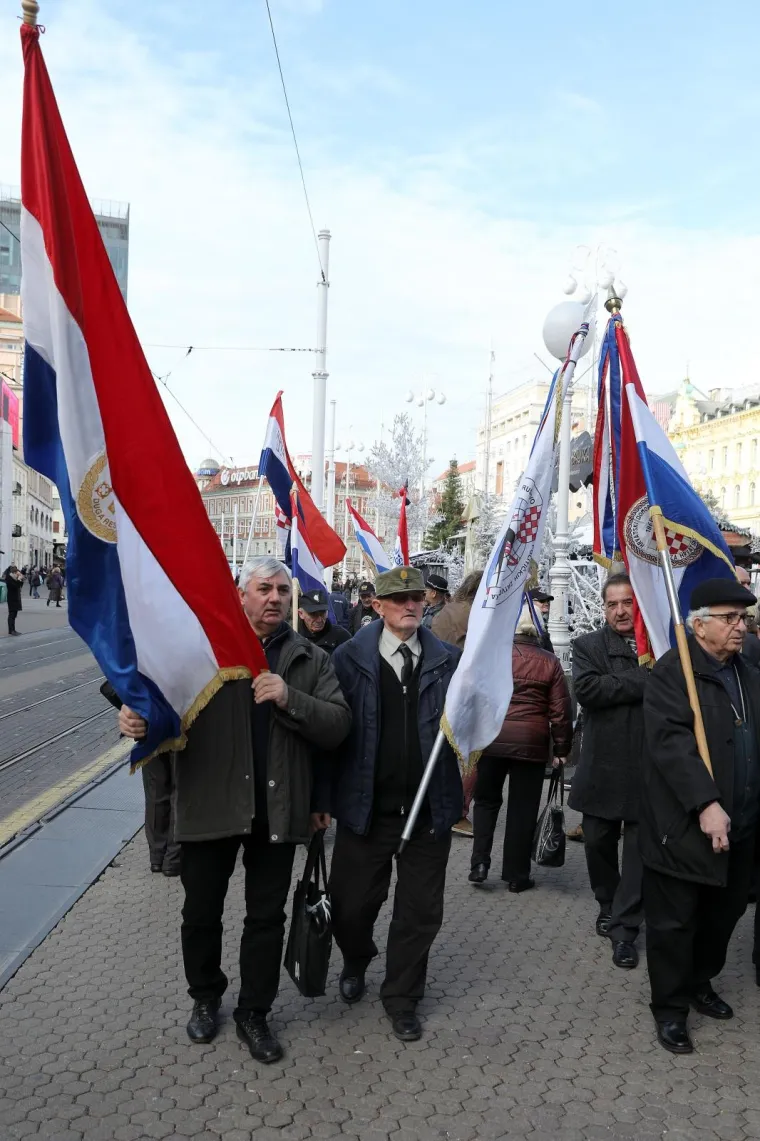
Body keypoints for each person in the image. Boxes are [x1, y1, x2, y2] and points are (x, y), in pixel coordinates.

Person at [118, 557, 351, 1064]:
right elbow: (155, 698)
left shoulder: (308, 659)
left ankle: (254, 1012)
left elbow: (338, 726)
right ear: (241, 595)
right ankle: (205, 997)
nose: (274, 598)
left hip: (276, 808)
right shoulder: (201, 650)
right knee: (200, 913)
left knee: (265, 918)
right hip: (210, 803)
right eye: (263, 589)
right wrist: (135, 719)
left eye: (282, 590)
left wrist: (290, 698)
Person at [329, 566, 462, 1043]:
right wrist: (322, 798)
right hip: (366, 810)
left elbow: (471, 720)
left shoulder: (449, 660)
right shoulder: (348, 658)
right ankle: (356, 956)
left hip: (428, 811)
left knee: (420, 911)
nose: (411, 605)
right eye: (400, 598)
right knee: (350, 906)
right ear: (377, 605)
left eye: (417, 598)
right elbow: (332, 731)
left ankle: (402, 997)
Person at [641, 576, 760, 1055]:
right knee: (674, 923)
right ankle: (670, 1009)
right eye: (729, 618)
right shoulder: (673, 673)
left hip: (743, 823)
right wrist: (707, 804)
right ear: (698, 625)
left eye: (743, 617)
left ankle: (699, 981)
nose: (740, 626)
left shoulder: (747, 670)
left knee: (724, 913)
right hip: (686, 827)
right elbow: (672, 746)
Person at [568, 572, 646, 970]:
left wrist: (616, 682)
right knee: (597, 841)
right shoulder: (588, 645)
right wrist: (644, 679)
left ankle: (624, 927)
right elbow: (588, 691)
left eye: (627, 602)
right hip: (602, 765)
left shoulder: (660, 646)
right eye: (612, 604)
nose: (619, 611)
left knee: (638, 853)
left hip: (647, 768)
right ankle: (607, 901)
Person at [469, 605, 572, 891]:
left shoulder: (493, 655)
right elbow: (561, 712)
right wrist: (561, 749)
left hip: (492, 738)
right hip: (531, 742)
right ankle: (516, 875)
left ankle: (479, 863)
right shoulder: (549, 662)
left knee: (486, 801)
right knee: (522, 808)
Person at [101, 680, 181, 876]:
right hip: (180, 714)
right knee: (181, 786)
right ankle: (174, 858)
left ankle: (157, 856)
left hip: (148, 716)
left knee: (156, 788)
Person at [431, 570, 482, 836]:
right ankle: (458, 812)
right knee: (471, 753)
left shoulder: (446, 611)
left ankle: (437, 804)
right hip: (465, 686)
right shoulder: (477, 613)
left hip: (438, 682)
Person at [297, 587, 351, 655]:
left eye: (322, 613)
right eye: (313, 614)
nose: (319, 620)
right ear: (301, 614)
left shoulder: (342, 636)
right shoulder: (292, 636)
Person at [528, 587, 554, 653]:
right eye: (542, 601)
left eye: (547, 601)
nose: (546, 603)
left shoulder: (543, 622)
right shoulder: (528, 624)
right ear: (531, 602)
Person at [3, 566, 23, 636]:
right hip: (12, 598)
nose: (18, 574)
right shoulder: (9, 578)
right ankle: (11, 630)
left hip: (16, 598)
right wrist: (18, 580)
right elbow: (14, 587)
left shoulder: (14, 578)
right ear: (14, 573)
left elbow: (20, 586)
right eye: (17, 573)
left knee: (14, 615)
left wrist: (20, 580)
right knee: (12, 614)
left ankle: (13, 629)